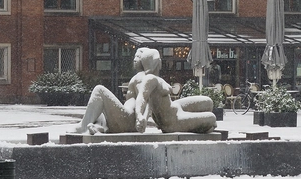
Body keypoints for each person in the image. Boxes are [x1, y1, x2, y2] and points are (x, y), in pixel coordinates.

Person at [71, 47, 216, 134]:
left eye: (138, 56)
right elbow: (144, 98)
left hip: (164, 111)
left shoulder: (147, 78)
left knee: (208, 102)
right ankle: (86, 126)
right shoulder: (144, 78)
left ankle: (96, 126)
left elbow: (147, 101)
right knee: (99, 90)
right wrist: (141, 117)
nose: (135, 59)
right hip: (128, 119)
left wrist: (143, 117)